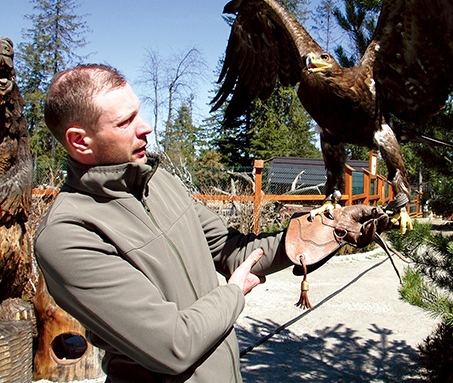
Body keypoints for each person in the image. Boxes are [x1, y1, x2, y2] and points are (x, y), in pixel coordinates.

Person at [34, 63, 385, 382]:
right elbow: (172, 345)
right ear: (80, 141)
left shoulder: (159, 183)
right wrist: (232, 293)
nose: (146, 128)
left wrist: (329, 229)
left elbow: (234, 251)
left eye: (138, 113)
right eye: (125, 122)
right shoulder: (69, 235)